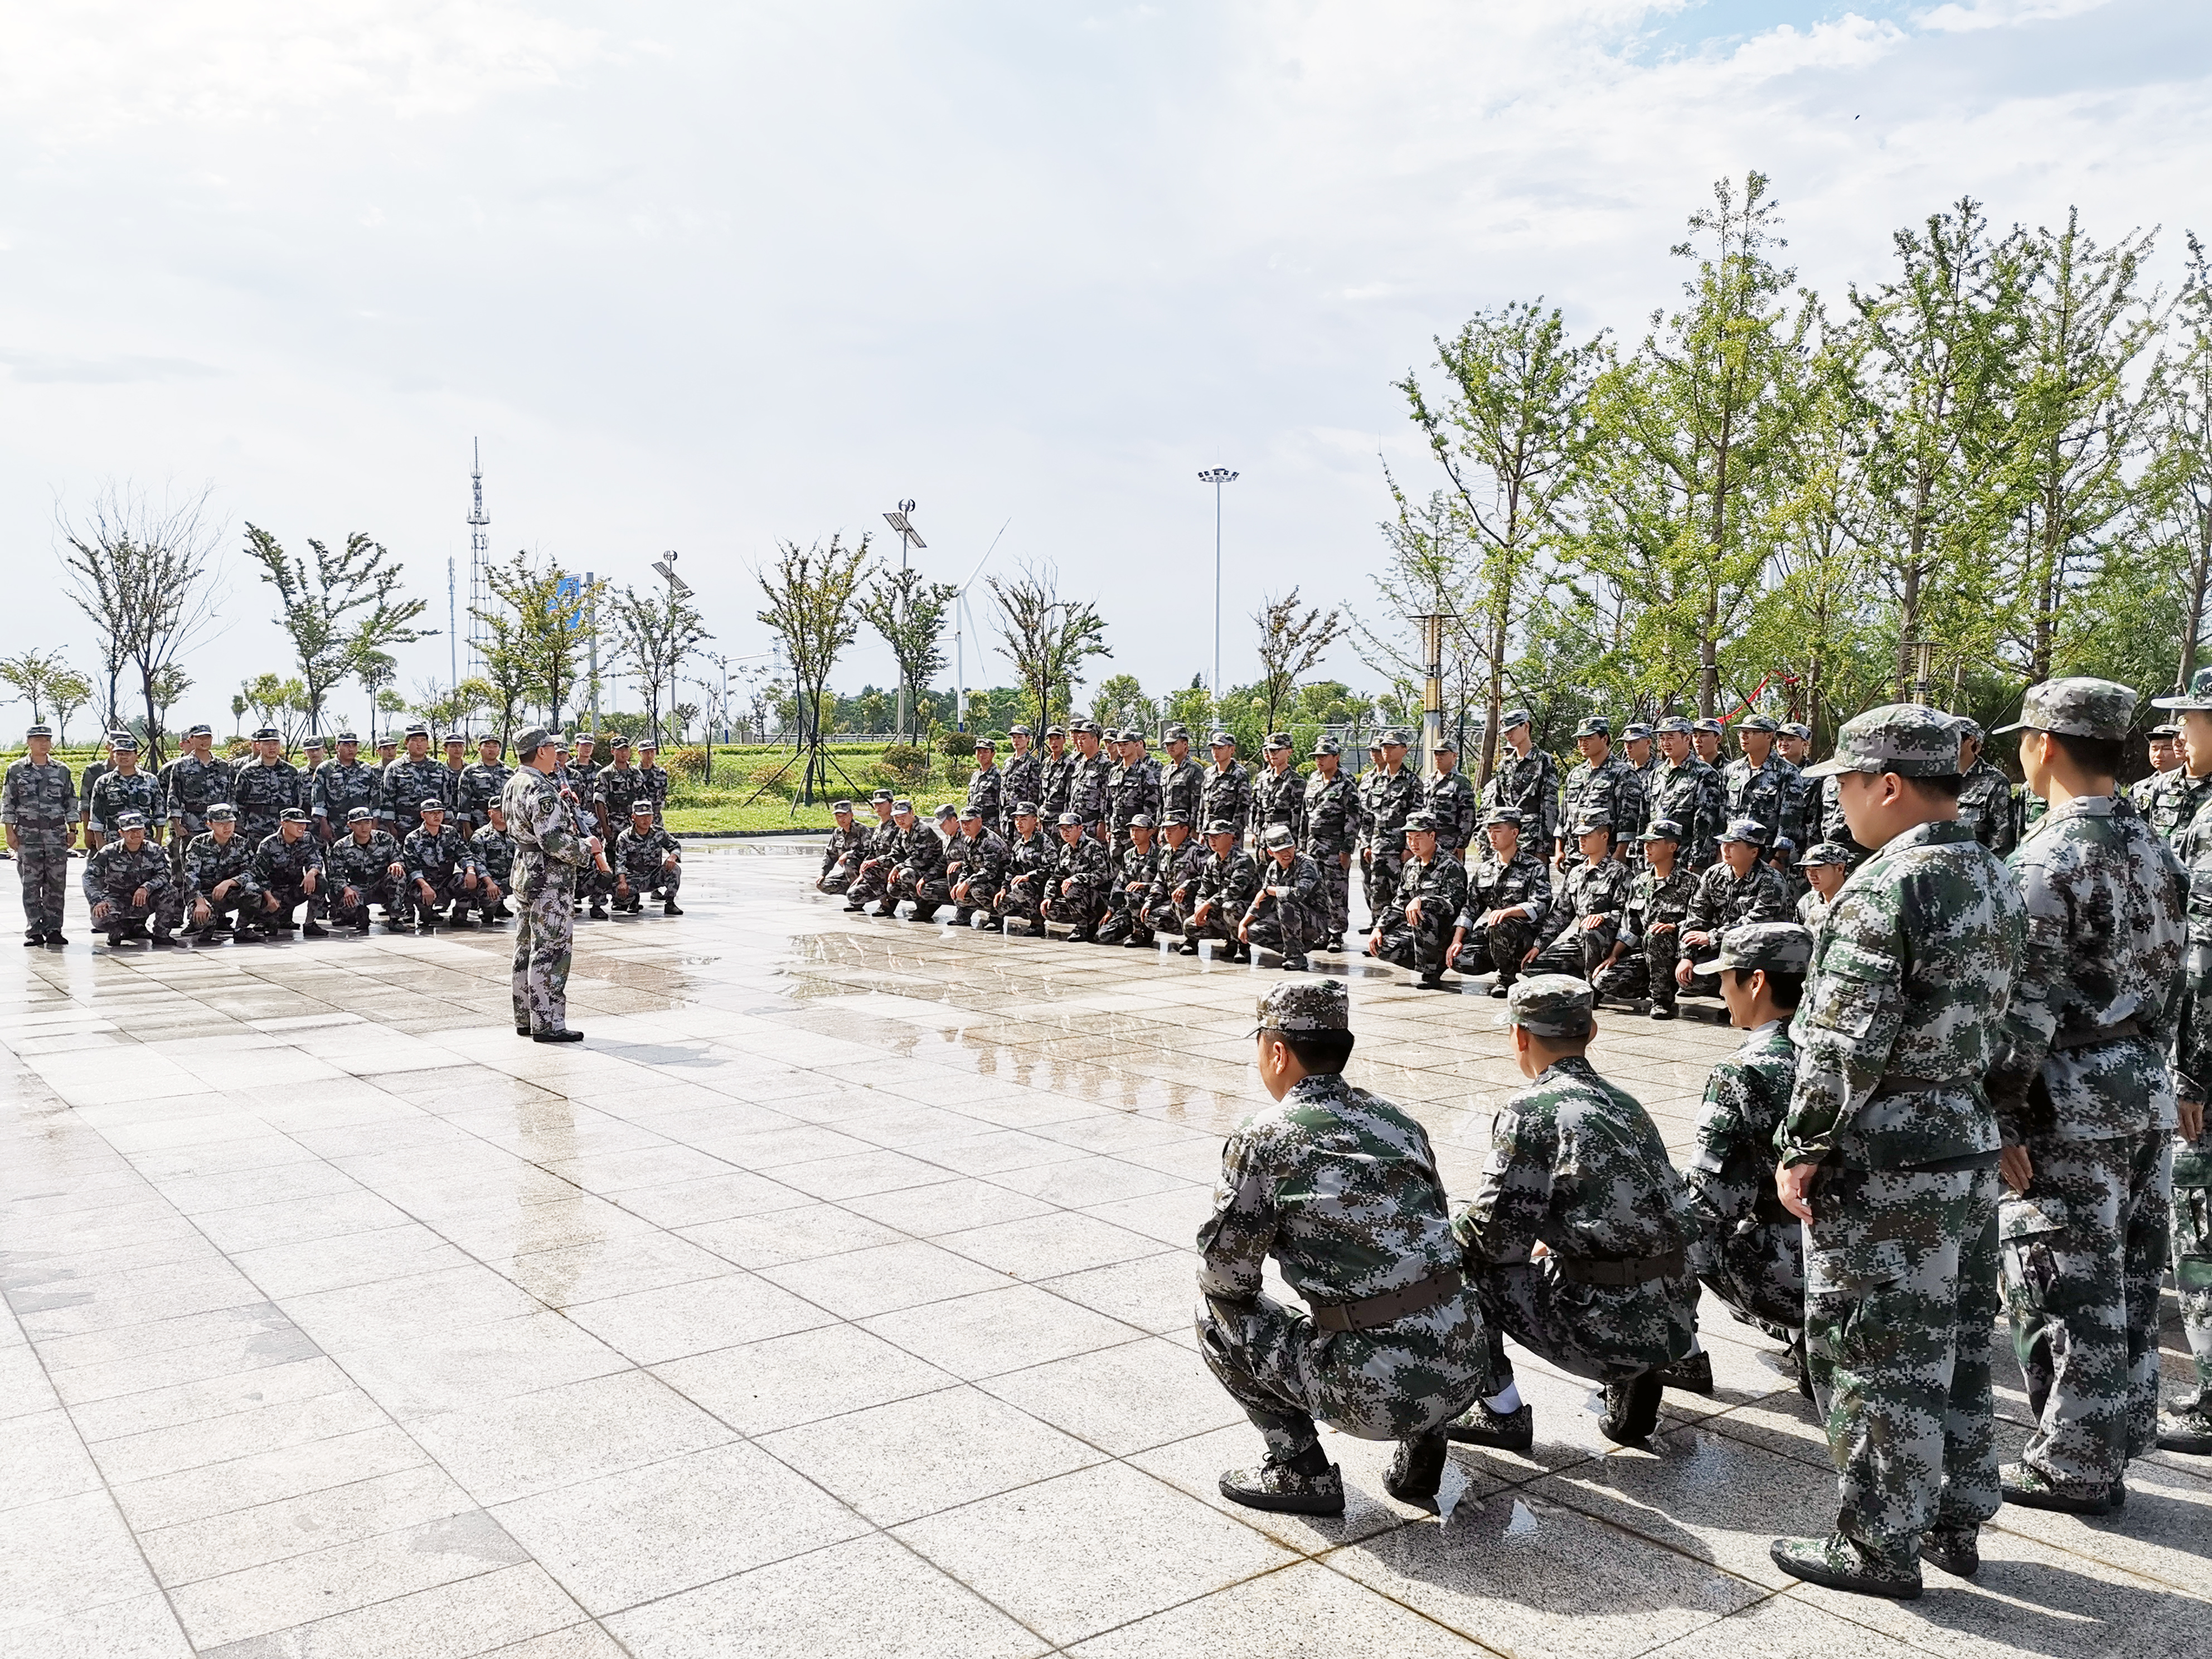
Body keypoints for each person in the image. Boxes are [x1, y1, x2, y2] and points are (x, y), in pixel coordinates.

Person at [1769, 703, 2025, 1600]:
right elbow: (2022, 1020)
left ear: (1887, 784)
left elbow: (1844, 1041)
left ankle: (1878, 1543)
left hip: (1885, 1156)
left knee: (1874, 1348)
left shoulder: (1885, 887)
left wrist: (1804, 1145)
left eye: (1843, 783)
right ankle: (1955, 1515)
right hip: (1964, 1142)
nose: (1837, 801)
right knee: (1952, 1339)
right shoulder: (1994, 874)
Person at [1982, 678, 2187, 1512]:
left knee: (2066, 1281)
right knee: (2131, 1281)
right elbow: (2179, 982)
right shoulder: (2158, 850)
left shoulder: (2043, 860)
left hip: (2065, 1098)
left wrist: (1998, 1113)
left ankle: (2073, 1464)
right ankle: (2115, 1436)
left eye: (2023, 740)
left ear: (2047, 746)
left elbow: (2022, 1008)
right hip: (2142, 1087)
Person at [1197, 979, 1490, 1516]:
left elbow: (1226, 1276)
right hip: (1467, 1364)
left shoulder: (1264, 1137)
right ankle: (1428, 1437)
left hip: (1375, 1395)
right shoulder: (1399, 1121)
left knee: (1213, 1313)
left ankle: (1299, 1470)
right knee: (1416, 1292)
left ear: (1278, 1051)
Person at [1448, 975, 1699, 1452]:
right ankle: (1635, 1378)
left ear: (1520, 1036)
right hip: (1673, 1314)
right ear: (1593, 1031)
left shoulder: (1532, 1109)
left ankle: (1501, 1412)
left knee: (1460, 1262)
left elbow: (1493, 1239)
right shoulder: (1626, 1102)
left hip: (1610, 1325)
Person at [1680, 923, 1814, 1395]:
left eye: (1725, 978)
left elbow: (1709, 1198)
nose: (1720, 990)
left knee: (1673, 1227)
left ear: (1755, 982)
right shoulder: (1844, 1052)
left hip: (1798, 1268)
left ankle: (1679, 1354)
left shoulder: (1745, 1070)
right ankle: (1812, 1344)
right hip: (1875, 1255)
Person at [503, 728, 584, 1042]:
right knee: (551, 949)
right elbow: (552, 841)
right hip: (548, 879)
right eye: (552, 746)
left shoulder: (515, 782)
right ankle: (548, 1023)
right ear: (540, 751)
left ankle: (526, 1017)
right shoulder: (539, 787)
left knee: (525, 947)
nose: (556, 751)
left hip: (525, 872)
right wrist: (585, 847)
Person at [1674, 818, 1793, 999]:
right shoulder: (1713, 874)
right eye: (1724, 843)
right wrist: (1687, 957)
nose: (1725, 849)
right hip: (1721, 946)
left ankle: (1745, 1001)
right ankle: (1727, 993)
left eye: (1733, 845)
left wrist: (1712, 937)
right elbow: (1696, 916)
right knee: (1692, 978)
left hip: (1757, 949)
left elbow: (1757, 923)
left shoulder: (1771, 880)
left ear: (1754, 851)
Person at [1595, 819, 1699, 1020]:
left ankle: (1662, 1000)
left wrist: (1674, 927)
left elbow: (1697, 921)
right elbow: (1630, 925)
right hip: (1646, 954)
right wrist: (1614, 955)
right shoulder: (1640, 882)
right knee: (1603, 981)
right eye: (1645, 843)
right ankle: (1651, 983)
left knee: (1657, 935)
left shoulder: (1691, 883)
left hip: (1678, 953)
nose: (1646, 848)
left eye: (1653, 843)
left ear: (1672, 847)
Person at [1448, 807, 1553, 995]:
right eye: (1489, 831)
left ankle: (1506, 979)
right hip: (1495, 933)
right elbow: (1471, 907)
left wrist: (1509, 912)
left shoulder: (1534, 866)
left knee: (1500, 924)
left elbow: (1542, 904)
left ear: (1514, 833)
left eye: (1497, 831)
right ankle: (1502, 961)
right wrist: (1457, 940)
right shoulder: (1486, 869)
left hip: (1524, 935)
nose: (1491, 837)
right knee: (1458, 957)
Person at [1367, 811, 1466, 989]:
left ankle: (1432, 970)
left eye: (1418, 837)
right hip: (1418, 930)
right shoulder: (1411, 866)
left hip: (1443, 931)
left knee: (1422, 913)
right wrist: (1379, 927)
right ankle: (1428, 962)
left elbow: (1453, 906)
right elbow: (1399, 903)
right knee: (1380, 945)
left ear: (1432, 836)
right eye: (1409, 838)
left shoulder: (1451, 867)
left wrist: (1423, 900)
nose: (1413, 843)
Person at [1527, 815, 1629, 984]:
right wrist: (1539, 945)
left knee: (1592, 931)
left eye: (1587, 836)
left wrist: (1603, 917)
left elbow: (1628, 915)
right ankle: (1584, 977)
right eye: (1579, 836)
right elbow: (1560, 914)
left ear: (1604, 837)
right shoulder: (1576, 873)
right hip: (1582, 942)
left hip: (1608, 943)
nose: (1581, 840)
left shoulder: (1620, 873)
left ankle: (1593, 986)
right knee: (1534, 968)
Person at [3, 722, 75, 946]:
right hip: (28, 835)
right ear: (29, 743)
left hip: (56, 835)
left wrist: (73, 829)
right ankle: (34, 930)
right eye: (38, 740)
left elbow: (70, 801)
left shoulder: (62, 770)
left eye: (47, 739)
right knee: (31, 884)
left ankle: (54, 929)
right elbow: (8, 802)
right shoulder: (16, 770)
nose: (43, 743)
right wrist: (9, 832)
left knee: (56, 884)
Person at [1302, 736, 1361, 952]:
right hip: (1314, 844)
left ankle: (1336, 933)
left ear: (1336, 758)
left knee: (1336, 890)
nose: (1319, 761)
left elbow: (1354, 817)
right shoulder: (1313, 780)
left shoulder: (1346, 783)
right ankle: (1321, 932)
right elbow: (1305, 816)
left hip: (1335, 844)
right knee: (1315, 890)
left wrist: (1346, 848)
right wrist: (1302, 844)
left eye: (1324, 756)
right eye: (1317, 757)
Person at [1239, 824, 1325, 972]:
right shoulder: (1273, 868)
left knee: (1286, 903)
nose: (1286, 854)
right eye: (1280, 851)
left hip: (1314, 921)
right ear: (1271, 852)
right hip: (1288, 919)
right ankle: (1296, 948)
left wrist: (1269, 890)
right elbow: (1262, 901)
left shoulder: (1307, 863)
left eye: (1289, 848)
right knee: (1253, 932)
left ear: (1295, 846)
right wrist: (1244, 922)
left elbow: (1298, 894)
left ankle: (1296, 957)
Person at [84, 812, 173, 946]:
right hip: (116, 898)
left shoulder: (154, 850)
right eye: (130, 831)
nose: (136, 834)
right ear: (121, 833)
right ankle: (117, 930)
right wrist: (98, 900)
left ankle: (161, 934)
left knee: (169, 891)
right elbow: (89, 876)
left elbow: (164, 874)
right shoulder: (109, 852)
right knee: (100, 917)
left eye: (139, 830)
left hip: (144, 898)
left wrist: (146, 887)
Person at [1648, 716, 1724, 870]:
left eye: (1671, 737)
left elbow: (1705, 822)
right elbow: (1645, 817)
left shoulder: (1704, 773)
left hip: (1685, 858)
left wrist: (1697, 862)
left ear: (1687, 739)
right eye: (1662, 738)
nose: (1665, 743)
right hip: (1655, 858)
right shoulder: (1656, 775)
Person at [1358, 728, 1419, 920]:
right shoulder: (1375, 781)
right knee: (1377, 892)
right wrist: (1367, 843)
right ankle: (1379, 937)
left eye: (1392, 747)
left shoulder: (1412, 782)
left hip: (1398, 848)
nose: (1387, 751)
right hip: (1377, 847)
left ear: (1404, 750)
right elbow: (1368, 815)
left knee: (1400, 893)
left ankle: (1399, 939)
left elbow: (1416, 818)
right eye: (1384, 747)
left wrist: (1409, 848)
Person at [1481, 709, 1558, 854]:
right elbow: (1498, 803)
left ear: (1526, 727)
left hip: (1532, 839)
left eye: (1513, 729)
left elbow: (1549, 805)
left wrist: (1545, 847)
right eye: (1506, 732)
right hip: (1507, 839)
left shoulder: (1544, 761)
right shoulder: (1505, 764)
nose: (1508, 735)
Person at [1556, 717, 1630, 868]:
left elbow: (1628, 819)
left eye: (1589, 738)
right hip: (1574, 855)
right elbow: (1564, 815)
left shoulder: (1622, 773)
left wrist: (1620, 853)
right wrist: (1559, 849)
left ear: (1604, 739)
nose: (1583, 743)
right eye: (1580, 739)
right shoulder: (1575, 774)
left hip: (1606, 856)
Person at [177, 803, 258, 941]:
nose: (227, 827)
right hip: (204, 896)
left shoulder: (242, 843)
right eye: (221, 823)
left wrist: (230, 882)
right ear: (210, 824)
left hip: (229, 894)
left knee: (254, 890)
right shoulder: (198, 844)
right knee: (203, 921)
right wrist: (200, 901)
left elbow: (251, 872)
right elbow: (191, 875)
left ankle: (241, 930)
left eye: (230, 822)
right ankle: (207, 924)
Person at [325, 806, 412, 933]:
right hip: (358, 887)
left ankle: (395, 918)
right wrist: (346, 889)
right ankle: (360, 913)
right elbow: (336, 874)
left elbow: (399, 859)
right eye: (359, 823)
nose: (364, 827)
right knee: (348, 907)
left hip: (382, 886)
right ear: (350, 825)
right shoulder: (341, 846)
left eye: (367, 822)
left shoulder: (386, 839)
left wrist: (397, 864)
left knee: (397, 874)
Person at [1181, 818, 1259, 958]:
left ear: (1230, 837)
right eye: (1210, 837)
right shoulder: (1212, 861)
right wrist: (1200, 908)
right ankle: (1229, 938)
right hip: (1221, 909)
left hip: (1246, 911)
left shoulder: (1243, 860)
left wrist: (1208, 905)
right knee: (1189, 926)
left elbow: (1234, 892)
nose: (1212, 840)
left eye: (1217, 836)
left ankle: (1243, 946)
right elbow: (1204, 890)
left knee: (1231, 907)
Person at [402, 799, 482, 928]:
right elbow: (412, 868)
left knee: (465, 879)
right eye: (432, 813)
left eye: (439, 813)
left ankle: (460, 917)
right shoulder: (413, 838)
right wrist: (425, 886)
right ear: (423, 815)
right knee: (426, 919)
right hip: (424, 884)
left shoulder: (451, 833)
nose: (437, 816)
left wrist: (470, 871)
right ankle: (425, 914)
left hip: (446, 882)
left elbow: (464, 854)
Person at [249, 807, 327, 938]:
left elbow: (317, 861)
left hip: (294, 890)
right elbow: (259, 876)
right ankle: (267, 919)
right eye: (297, 823)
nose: (302, 827)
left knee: (320, 881)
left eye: (304, 823)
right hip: (272, 894)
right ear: (284, 823)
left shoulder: (308, 839)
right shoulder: (268, 844)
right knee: (270, 925)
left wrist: (311, 873)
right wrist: (270, 898)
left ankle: (310, 924)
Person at [162, 723, 234, 862]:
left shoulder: (223, 765)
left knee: (220, 860)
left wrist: (231, 823)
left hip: (219, 823)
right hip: (192, 822)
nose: (204, 741)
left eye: (207, 737)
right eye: (200, 738)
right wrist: (177, 825)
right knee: (191, 861)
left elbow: (230, 795)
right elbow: (174, 796)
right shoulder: (181, 766)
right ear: (191, 740)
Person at [1720, 714, 1791, 846]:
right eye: (1742, 732)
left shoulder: (1786, 772)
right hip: (1733, 848)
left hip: (1766, 852)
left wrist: (1778, 857)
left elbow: (1789, 820)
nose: (1744, 736)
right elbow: (1722, 813)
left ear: (1769, 736)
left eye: (1752, 732)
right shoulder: (1732, 770)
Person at [1042, 809, 1112, 941]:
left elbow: (1102, 876)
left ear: (1081, 828)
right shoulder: (1065, 849)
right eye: (1061, 829)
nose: (1065, 832)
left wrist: (1076, 878)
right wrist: (1048, 896)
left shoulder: (1093, 847)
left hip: (1098, 897)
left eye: (1069, 828)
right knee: (1050, 910)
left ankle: (1084, 928)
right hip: (1078, 897)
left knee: (1072, 887)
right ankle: (1086, 922)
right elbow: (1057, 877)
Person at [1954, 717, 2018, 859]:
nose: (1946, 742)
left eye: (1953, 736)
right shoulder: (1940, 776)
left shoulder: (1995, 782)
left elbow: (2001, 844)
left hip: (1977, 871)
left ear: (1970, 741)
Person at [86, 736, 162, 851]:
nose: (124, 757)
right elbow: (97, 814)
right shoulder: (103, 782)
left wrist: (159, 836)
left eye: (128, 753)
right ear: (114, 756)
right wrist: (99, 840)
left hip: (144, 838)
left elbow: (159, 810)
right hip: (113, 839)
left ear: (136, 756)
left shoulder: (150, 780)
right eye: (120, 754)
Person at [1143, 811, 1206, 947]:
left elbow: (1209, 879)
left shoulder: (1197, 851)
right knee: (1150, 917)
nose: (1167, 833)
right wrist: (1151, 901)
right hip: (1172, 902)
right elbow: (1160, 880)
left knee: (1181, 898)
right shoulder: (1165, 851)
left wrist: (1187, 886)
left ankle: (1192, 939)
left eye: (1172, 829)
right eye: (1165, 829)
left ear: (1185, 830)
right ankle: (1185, 928)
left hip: (1193, 903)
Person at [1094, 812, 1158, 946]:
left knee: (1134, 891)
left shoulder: (1160, 855)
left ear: (1150, 832)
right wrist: (1111, 910)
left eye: (1140, 830)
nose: (1135, 834)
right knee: (1103, 936)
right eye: (1132, 830)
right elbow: (1120, 883)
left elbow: (1165, 883)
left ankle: (1141, 934)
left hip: (1152, 903)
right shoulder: (1128, 855)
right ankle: (1131, 926)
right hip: (1131, 904)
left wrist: (1144, 886)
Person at [885, 803, 957, 923]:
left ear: (912, 813)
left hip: (933, 871)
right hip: (920, 870)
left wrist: (899, 868)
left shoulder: (923, 830)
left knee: (906, 874)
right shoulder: (902, 832)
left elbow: (921, 859)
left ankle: (925, 907)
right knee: (893, 888)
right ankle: (926, 904)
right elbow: (896, 853)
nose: (900, 820)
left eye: (903, 816)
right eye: (897, 817)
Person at [994, 802, 1055, 934]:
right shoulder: (1018, 845)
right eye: (1017, 819)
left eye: (1023, 819)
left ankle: (1037, 924)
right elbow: (1012, 870)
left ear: (1035, 820)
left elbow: (1053, 869)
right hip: (1025, 889)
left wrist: (1029, 876)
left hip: (1042, 887)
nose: (1019, 823)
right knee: (1000, 903)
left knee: (1020, 887)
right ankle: (1025, 913)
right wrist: (1004, 889)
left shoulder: (1044, 842)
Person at [613, 799, 683, 915]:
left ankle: (670, 903)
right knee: (617, 892)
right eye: (642, 817)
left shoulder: (659, 832)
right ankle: (633, 900)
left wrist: (673, 857)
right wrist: (622, 882)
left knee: (675, 870)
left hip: (654, 876)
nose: (646, 820)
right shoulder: (624, 837)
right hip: (634, 878)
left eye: (648, 816)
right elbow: (620, 862)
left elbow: (676, 846)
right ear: (633, 817)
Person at [311, 731, 380, 846]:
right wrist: (324, 825)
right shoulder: (325, 769)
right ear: (337, 747)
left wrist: (375, 821)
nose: (351, 749)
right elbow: (318, 800)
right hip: (336, 824)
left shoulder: (366, 769)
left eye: (354, 745)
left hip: (362, 825)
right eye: (346, 745)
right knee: (336, 857)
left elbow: (375, 797)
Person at [380, 724, 445, 841]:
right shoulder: (394, 768)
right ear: (406, 743)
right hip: (404, 826)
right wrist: (391, 827)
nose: (419, 744)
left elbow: (447, 797)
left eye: (423, 740)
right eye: (415, 741)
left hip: (434, 826)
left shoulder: (438, 767)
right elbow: (387, 800)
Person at [842, 790, 903, 912]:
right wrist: (863, 871)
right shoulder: (879, 827)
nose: (877, 807)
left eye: (881, 803)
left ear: (891, 804)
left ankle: (887, 902)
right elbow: (872, 852)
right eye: (876, 804)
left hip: (892, 868)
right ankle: (880, 893)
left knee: (870, 869)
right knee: (854, 895)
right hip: (878, 870)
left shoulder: (898, 825)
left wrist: (873, 864)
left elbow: (899, 853)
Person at [1423, 735, 1478, 864]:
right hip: (1428, 841)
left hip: (1450, 843)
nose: (1438, 757)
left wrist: (1461, 844)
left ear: (1454, 756)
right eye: (1436, 753)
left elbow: (1468, 816)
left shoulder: (1460, 783)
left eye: (1443, 753)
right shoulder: (1428, 781)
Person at [1249, 734, 1306, 851]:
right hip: (1264, 836)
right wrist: (1256, 832)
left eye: (1278, 750)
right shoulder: (1262, 778)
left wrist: (1297, 842)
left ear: (1289, 752)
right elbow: (1257, 808)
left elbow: (1299, 815)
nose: (1273, 754)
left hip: (1285, 839)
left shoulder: (1297, 781)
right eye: (1270, 750)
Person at [1200, 731, 1252, 846]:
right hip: (1209, 830)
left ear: (1232, 750)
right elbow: (1203, 805)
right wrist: (1201, 830)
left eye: (1220, 748)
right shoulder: (1209, 773)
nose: (1215, 752)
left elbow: (1243, 808)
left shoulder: (1240, 774)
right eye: (1214, 748)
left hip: (1228, 832)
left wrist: (1234, 833)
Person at [594, 735, 648, 843]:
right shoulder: (605, 774)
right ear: (613, 751)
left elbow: (644, 800)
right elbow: (599, 802)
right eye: (620, 750)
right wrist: (605, 827)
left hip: (636, 827)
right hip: (615, 826)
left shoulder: (637, 774)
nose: (624, 753)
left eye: (626, 749)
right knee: (615, 859)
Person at [472, 802, 517, 924]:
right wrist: (490, 884)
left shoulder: (517, 834)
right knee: (490, 899)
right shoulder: (480, 836)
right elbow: (479, 864)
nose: (503, 814)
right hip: (492, 881)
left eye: (505, 810)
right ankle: (486, 909)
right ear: (490, 813)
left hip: (513, 878)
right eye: (498, 811)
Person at [461, 733, 511, 839]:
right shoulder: (470, 772)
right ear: (479, 749)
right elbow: (464, 803)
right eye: (488, 746)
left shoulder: (508, 772)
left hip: (503, 822)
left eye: (495, 746)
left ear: (499, 749)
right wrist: (467, 828)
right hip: (478, 821)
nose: (491, 749)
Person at [1796, 841, 1852, 931]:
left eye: (1818, 869)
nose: (1812, 875)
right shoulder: (1807, 902)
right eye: (1808, 870)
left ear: (1840, 868)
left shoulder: (1855, 901)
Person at [817, 800, 870, 894]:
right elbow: (830, 854)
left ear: (851, 815)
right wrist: (823, 873)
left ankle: (858, 896)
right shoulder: (838, 833)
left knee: (849, 862)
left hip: (865, 873)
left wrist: (849, 854)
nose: (841, 819)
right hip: (848, 874)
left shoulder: (862, 830)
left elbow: (870, 852)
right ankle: (853, 894)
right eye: (838, 817)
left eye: (844, 816)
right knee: (822, 885)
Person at [2127, 722, 2181, 812]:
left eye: (2167, 748)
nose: (2159, 754)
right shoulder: (2139, 788)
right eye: (2155, 749)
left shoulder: (2191, 785)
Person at [1001, 725, 1043, 837]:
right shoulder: (1008, 762)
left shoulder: (1032, 763)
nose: (1016, 741)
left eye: (1020, 737)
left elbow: (1034, 794)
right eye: (1014, 738)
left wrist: (1032, 817)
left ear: (1028, 739)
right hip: (1007, 815)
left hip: (1023, 815)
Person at [967, 735, 1006, 840]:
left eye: (986, 751)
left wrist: (999, 826)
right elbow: (970, 801)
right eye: (979, 751)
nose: (982, 755)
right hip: (974, 823)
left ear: (993, 754)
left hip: (991, 824)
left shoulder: (998, 775)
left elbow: (1001, 804)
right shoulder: (975, 775)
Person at [1039, 724, 1074, 823]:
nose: (1054, 742)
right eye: (1051, 739)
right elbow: (1041, 794)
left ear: (1064, 740)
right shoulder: (1046, 763)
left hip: (1060, 817)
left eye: (1058, 738)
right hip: (1044, 816)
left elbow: (1070, 796)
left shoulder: (1070, 764)